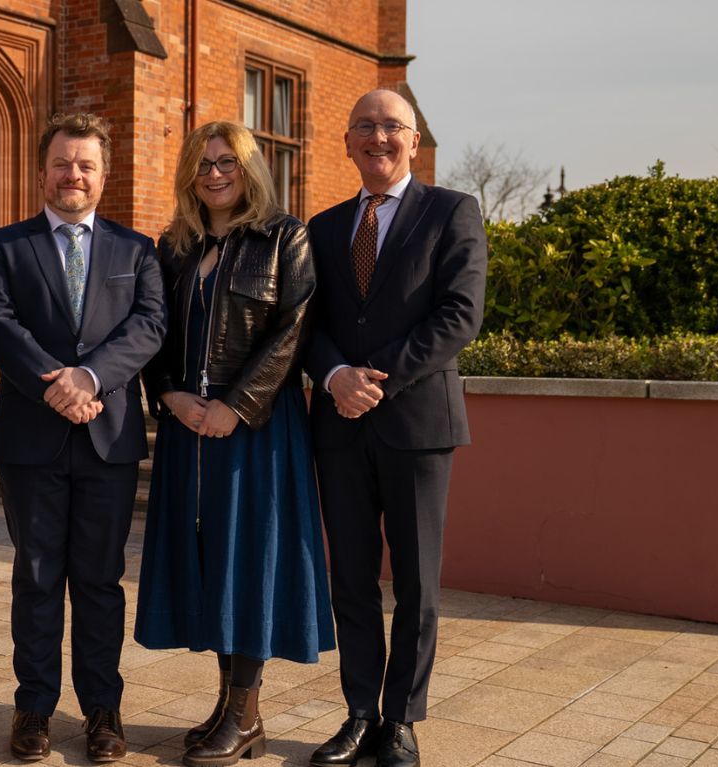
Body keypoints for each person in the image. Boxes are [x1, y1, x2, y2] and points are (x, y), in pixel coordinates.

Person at [134, 120, 335, 767]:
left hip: (256, 428)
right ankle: (231, 708)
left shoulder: (284, 238)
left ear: (250, 170)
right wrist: (169, 395)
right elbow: (153, 333)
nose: (215, 173)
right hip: (189, 427)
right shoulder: (176, 246)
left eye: (228, 162)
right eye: (203, 163)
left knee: (248, 560)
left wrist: (237, 405)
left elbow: (294, 329)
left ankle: (244, 716)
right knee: (211, 560)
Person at [0, 112, 165, 764]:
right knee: (35, 577)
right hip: (31, 438)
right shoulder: (6, 246)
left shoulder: (136, 251)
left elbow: (149, 326)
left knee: (100, 579)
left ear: (104, 176)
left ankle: (102, 709)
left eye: (86, 165)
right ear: (41, 172)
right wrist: (55, 385)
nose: (73, 174)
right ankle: (33, 705)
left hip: (108, 439)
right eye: (62, 163)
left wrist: (90, 377)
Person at [304, 89, 486, 767]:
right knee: (350, 580)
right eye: (364, 126)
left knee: (416, 584)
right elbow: (307, 323)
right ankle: (359, 713)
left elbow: (460, 315)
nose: (377, 137)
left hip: (417, 424)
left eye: (391, 126)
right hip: (339, 427)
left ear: (414, 141)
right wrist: (334, 377)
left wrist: (373, 379)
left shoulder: (452, 212)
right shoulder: (323, 227)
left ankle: (402, 719)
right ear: (347, 142)